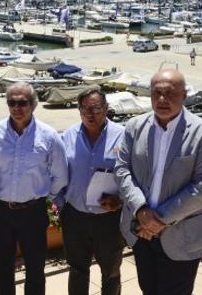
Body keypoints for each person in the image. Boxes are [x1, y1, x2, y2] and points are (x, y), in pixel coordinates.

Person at [115, 69, 202, 295]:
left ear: (185, 95)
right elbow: (122, 169)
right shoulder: (134, 127)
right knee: (149, 289)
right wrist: (141, 211)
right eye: (157, 93)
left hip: (181, 236)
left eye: (170, 93)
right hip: (140, 232)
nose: (162, 99)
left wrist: (159, 219)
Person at [0, 82, 68, 295]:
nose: (16, 108)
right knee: (3, 267)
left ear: (33, 105)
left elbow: (60, 174)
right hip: (2, 211)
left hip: (34, 212)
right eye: (11, 102)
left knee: (35, 268)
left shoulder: (49, 136)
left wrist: (43, 196)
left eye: (22, 102)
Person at [60, 89, 126, 295]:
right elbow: (56, 172)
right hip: (75, 217)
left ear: (106, 109)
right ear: (79, 111)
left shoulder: (123, 136)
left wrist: (121, 200)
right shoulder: (68, 135)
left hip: (109, 219)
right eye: (85, 108)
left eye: (96, 108)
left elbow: (136, 175)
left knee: (111, 272)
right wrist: (61, 202)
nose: (91, 113)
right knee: (77, 269)